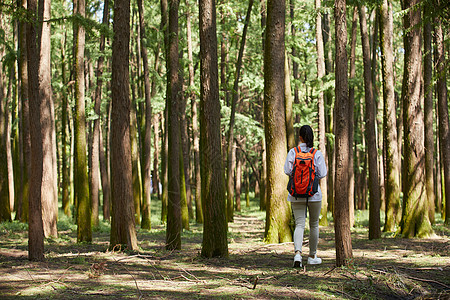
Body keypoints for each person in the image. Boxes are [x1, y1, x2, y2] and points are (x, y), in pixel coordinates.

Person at [284, 125, 327, 268]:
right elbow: (322, 173)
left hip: (296, 194)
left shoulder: (293, 152)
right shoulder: (317, 153)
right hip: (314, 194)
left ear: (300, 137)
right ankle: (312, 256)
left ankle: (297, 254)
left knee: (299, 224)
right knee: (314, 224)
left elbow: (287, 171)